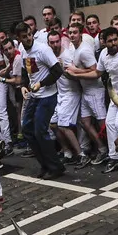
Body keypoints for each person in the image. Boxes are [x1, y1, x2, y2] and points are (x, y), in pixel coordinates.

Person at [75, 26, 118, 175]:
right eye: (109, 41)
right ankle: (114, 157)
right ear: (104, 42)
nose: (113, 43)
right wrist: (77, 75)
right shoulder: (104, 54)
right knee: (109, 123)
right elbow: (97, 73)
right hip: (115, 94)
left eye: (115, 39)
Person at [16, 21, 65, 178]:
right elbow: (25, 71)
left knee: (40, 131)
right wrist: (24, 85)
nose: (28, 38)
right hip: (34, 96)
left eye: (29, 35)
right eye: (24, 37)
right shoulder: (23, 51)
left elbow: (58, 71)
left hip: (47, 96)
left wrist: (41, 83)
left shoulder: (43, 49)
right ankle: (45, 165)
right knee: (27, 130)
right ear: (18, 38)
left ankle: (55, 166)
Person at [65, 22, 107, 167]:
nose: (72, 35)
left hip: (95, 90)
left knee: (103, 123)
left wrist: (75, 72)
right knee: (85, 122)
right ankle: (102, 148)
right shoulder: (75, 50)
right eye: (70, 33)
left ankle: (114, 151)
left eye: (75, 32)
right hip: (86, 91)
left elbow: (96, 71)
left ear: (80, 34)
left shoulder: (84, 50)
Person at [48, 30, 83, 165]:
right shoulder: (50, 55)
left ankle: (81, 154)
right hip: (60, 94)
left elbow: (76, 77)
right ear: (48, 43)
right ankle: (67, 152)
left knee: (64, 126)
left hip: (71, 93)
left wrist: (63, 69)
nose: (55, 44)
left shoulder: (68, 56)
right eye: (52, 42)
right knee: (53, 124)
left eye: (57, 41)